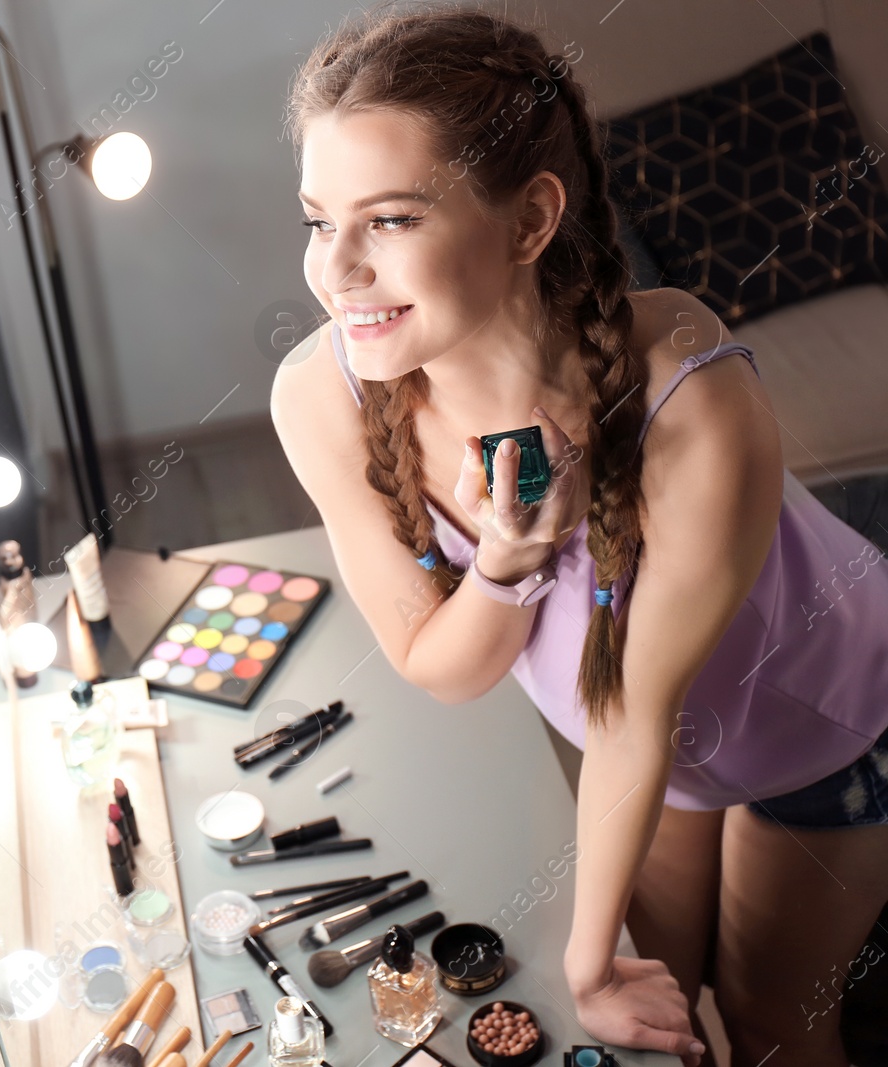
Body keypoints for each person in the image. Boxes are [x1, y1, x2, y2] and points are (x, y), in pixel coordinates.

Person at [270, 7, 888, 1065]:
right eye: (319, 221)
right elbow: (440, 663)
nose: (338, 272)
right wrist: (506, 563)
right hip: (663, 750)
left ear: (528, 220)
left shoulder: (693, 403)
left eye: (390, 220)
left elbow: (630, 714)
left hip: (817, 718)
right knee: (672, 1026)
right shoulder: (317, 395)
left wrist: (587, 965)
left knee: (768, 1027)